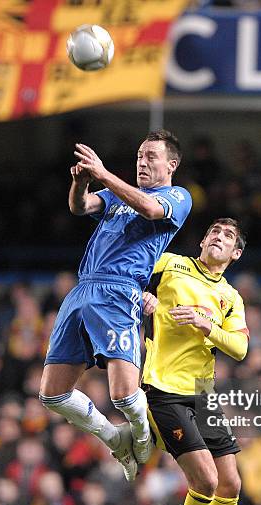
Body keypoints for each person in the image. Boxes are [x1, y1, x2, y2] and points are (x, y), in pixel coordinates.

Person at [39, 130, 192, 481]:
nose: (142, 161)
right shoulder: (116, 194)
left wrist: (104, 172)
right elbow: (80, 207)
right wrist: (81, 182)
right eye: (139, 155)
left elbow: (152, 209)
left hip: (119, 290)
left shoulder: (177, 196)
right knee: (52, 394)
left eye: (150, 156)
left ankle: (141, 437)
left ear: (171, 164)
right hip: (83, 288)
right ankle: (114, 438)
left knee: (124, 395)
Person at [141, 218, 261, 505]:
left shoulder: (231, 297)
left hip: (202, 393)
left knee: (231, 483)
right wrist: (142, 297)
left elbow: (241, 349)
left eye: (229, 236)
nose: (220, 237)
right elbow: (130, 276)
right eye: (215, 231)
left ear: (236, 253)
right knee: (207, 482)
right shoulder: (168, 264)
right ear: (203, 240)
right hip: (163, 387)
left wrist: (204, 324)